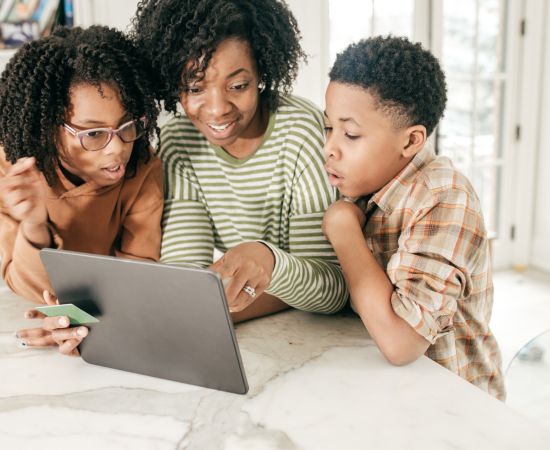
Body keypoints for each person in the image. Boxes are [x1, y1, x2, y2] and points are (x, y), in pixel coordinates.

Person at [132, 0, 348, 319]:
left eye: (237, 86)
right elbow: (185, 273)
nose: (218, 108)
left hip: (315, 330)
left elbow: (331, 290)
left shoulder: (301, 134)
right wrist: (202, 311)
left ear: (262, 69)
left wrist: (270, 262)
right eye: (194, 88)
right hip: (265, 319)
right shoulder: (180, 142)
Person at [322, 36, 505, 400]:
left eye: (351, 133)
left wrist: (344, 230)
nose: (330, 147)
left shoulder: (444, 196)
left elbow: (401, 342)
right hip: (387, 391)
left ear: (410, 141)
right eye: (328, 128)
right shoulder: (359, 179)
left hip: (456, 406)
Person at [0, 26, 163, 354]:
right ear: (48, 130)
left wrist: (86, 325)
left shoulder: (142, 168)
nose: (117, 149)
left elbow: (139, 275)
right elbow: (21, 285)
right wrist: (34, 225)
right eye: (93, 134)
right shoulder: (12, 171)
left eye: (128, 125)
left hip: (110, 323)